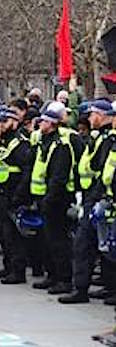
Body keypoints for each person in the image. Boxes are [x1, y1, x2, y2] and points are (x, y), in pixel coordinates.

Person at [60, 100, 115, 304]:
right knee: (96, 244)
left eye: (93, 115)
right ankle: (105, 287)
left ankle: (85, 288)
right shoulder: (100, 137)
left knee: (88, 244)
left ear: (103, 116)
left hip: (99, 196)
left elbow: (102, 170)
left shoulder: (108, 139)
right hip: (93, 194)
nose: (90, 119)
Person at [30, 106, 74, 295]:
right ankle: (52, 275)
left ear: (53, 124)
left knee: (58, 241)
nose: (41, 124)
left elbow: (59, 176)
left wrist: (49, 199)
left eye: (44, 121)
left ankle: (64, 279)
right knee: (48, 240)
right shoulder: (44, 142)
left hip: (56, 200)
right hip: (43, 197)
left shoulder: (60, 146)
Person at [0, 108, 33, 284]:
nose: (0, 125)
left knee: (13, 236)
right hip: (2, 193)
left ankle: (17, 270)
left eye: (5, 121)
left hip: (14, 194)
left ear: (14, 122)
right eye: (0, 121)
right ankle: (8, 267)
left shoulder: (19, 143)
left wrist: (19, 195)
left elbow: (26, 171)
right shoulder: (6, 142)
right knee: (4, 234)